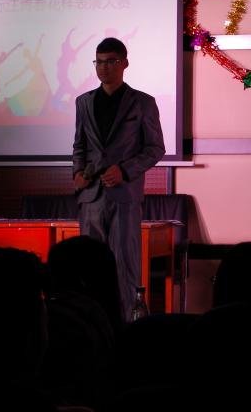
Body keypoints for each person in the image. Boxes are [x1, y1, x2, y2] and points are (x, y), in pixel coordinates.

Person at [72, 37, 165, 320]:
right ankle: (92, 323)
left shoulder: (143, 102)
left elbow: (155, 149)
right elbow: (79, 145)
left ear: (124, 63)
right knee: (89, 266)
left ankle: (127, 325)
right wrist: (77, 173)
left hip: (124, 195)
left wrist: (124, 170)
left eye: (111, 61)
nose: (104, 67)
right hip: (91, 197)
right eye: (99, 62)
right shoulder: (84, 102)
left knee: (125, 264)